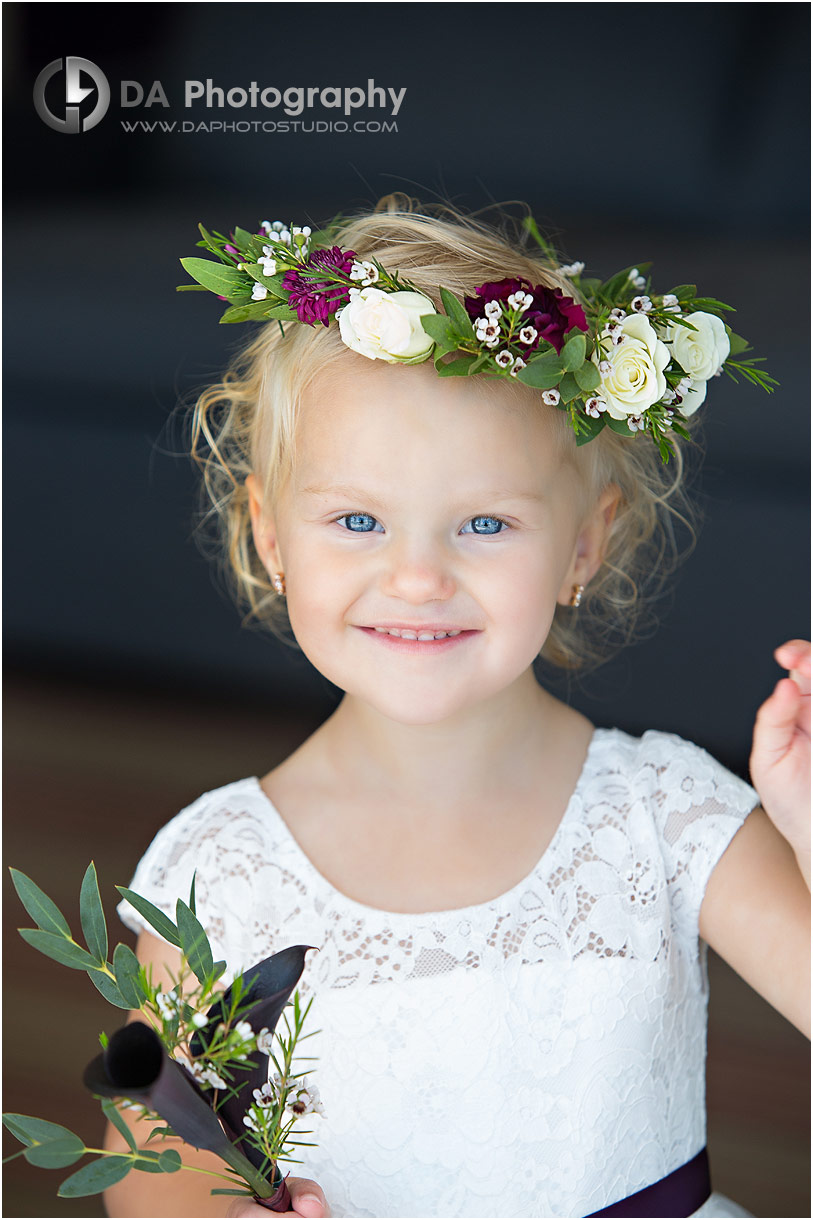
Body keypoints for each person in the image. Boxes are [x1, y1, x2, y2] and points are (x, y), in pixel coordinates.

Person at [104, 198, 810, 1218]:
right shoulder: (216, 872)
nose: (419, 575)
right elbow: (148, 1148)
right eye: (358, 519)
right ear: (270, 531)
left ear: (582, 543)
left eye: (483, 522)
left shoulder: (667, 809)